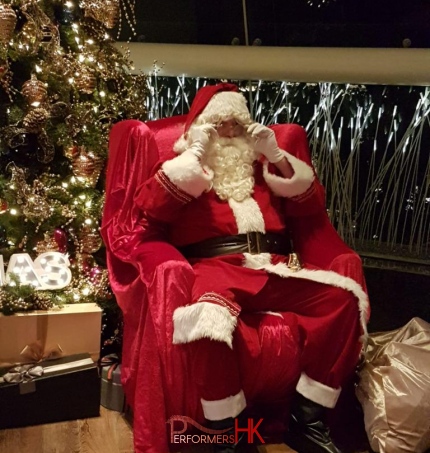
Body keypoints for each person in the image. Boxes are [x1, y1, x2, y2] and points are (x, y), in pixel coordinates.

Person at [135, 83, 369, 453]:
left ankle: (307, 418)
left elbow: (311, 206)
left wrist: (277, 157)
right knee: (208, 321)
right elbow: (151, 207)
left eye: (237, 124)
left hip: (274, 267)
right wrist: (194, 154)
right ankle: (225, 431)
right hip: (215, 266)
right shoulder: (187, 168)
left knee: (344, 301)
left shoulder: (262, 169)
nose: (229, 131)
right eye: (220, 124)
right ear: (204, 128)